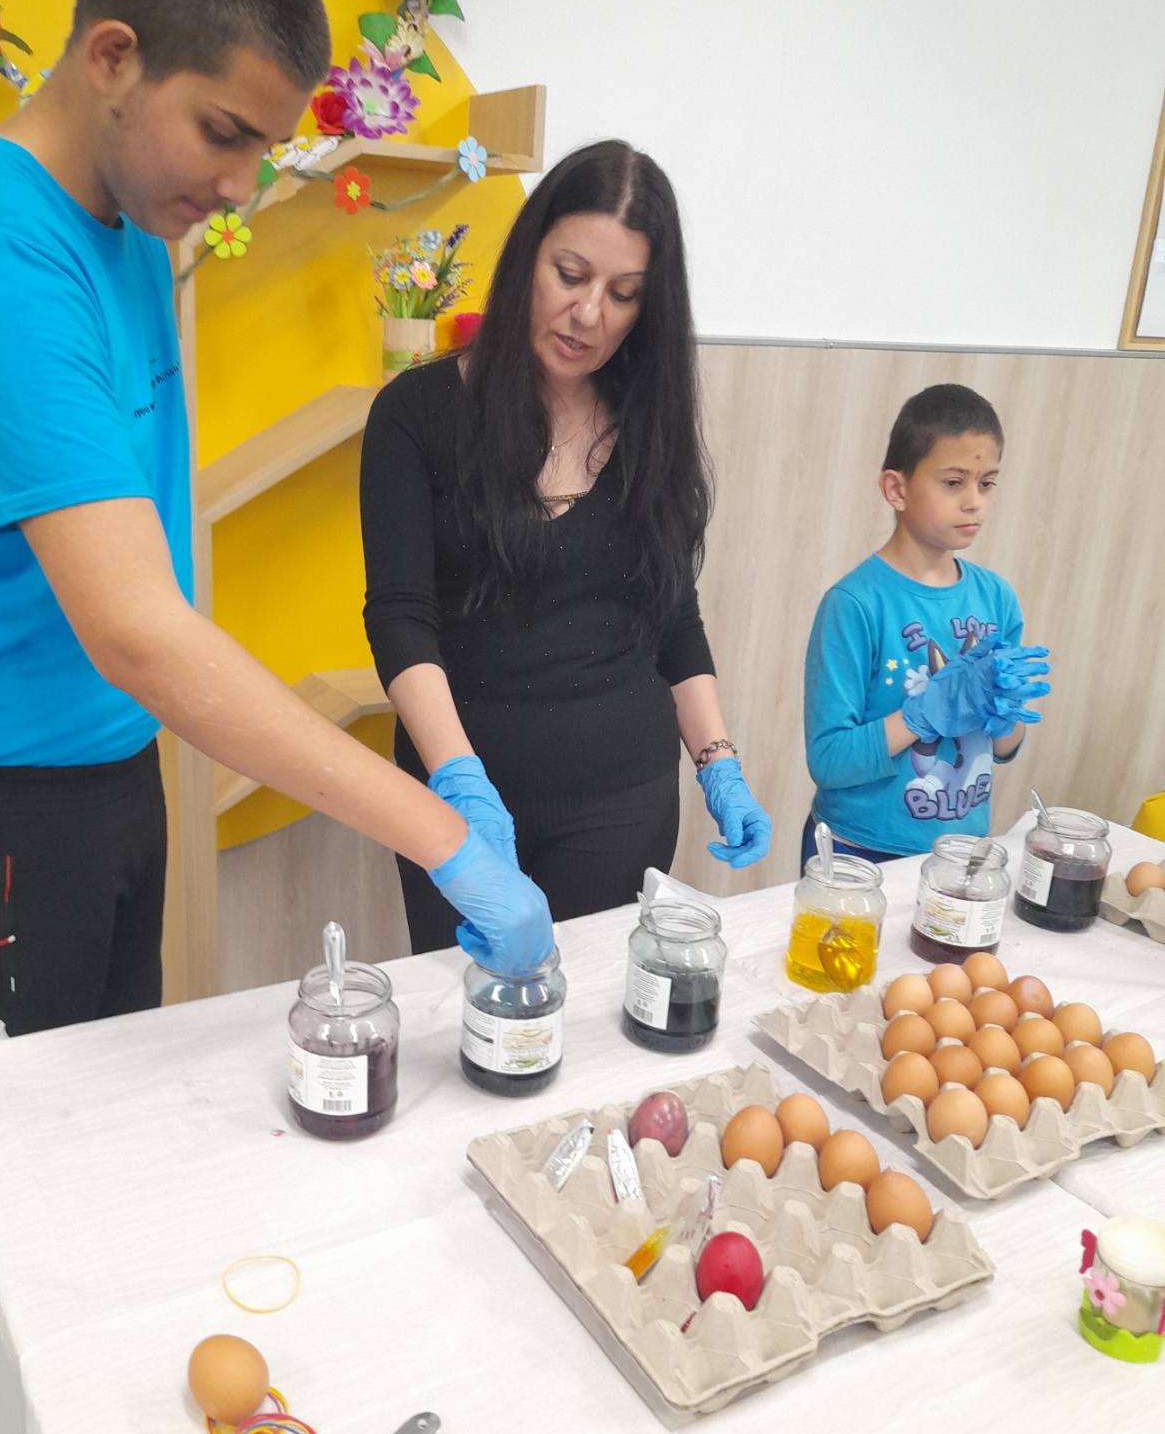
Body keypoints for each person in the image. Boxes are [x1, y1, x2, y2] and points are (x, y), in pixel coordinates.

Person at [0, 0, 551, 1434]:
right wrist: (438, 831)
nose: (234, 186)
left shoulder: (130, 227)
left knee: (109, 1129)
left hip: (88, 761)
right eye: (224, 133)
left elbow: (151, 570)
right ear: (111, 57)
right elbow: (141, 631)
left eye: (262, 150)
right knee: (27, 1162)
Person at [360, 140, 771, 953]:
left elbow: (672, 616)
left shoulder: (649, 423)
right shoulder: (415, 414)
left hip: (622, 798)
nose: (589, 315)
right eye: (570, 275)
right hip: (456, 800)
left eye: (623, 294)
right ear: (528, 258)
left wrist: (717, 759)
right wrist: (459, 781)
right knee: (465, 1008)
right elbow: (399, 616)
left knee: (593, 1015)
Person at [801, 384, 1051, 868]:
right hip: (857, 851)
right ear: (897, 489)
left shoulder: (996, 598)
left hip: (960, 852)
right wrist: (922, 715)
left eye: (987, 483)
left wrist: (1006, 717)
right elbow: (829, 761)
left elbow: (1005, 749)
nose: (975, 502)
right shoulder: (854, 604)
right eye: (953, 483)